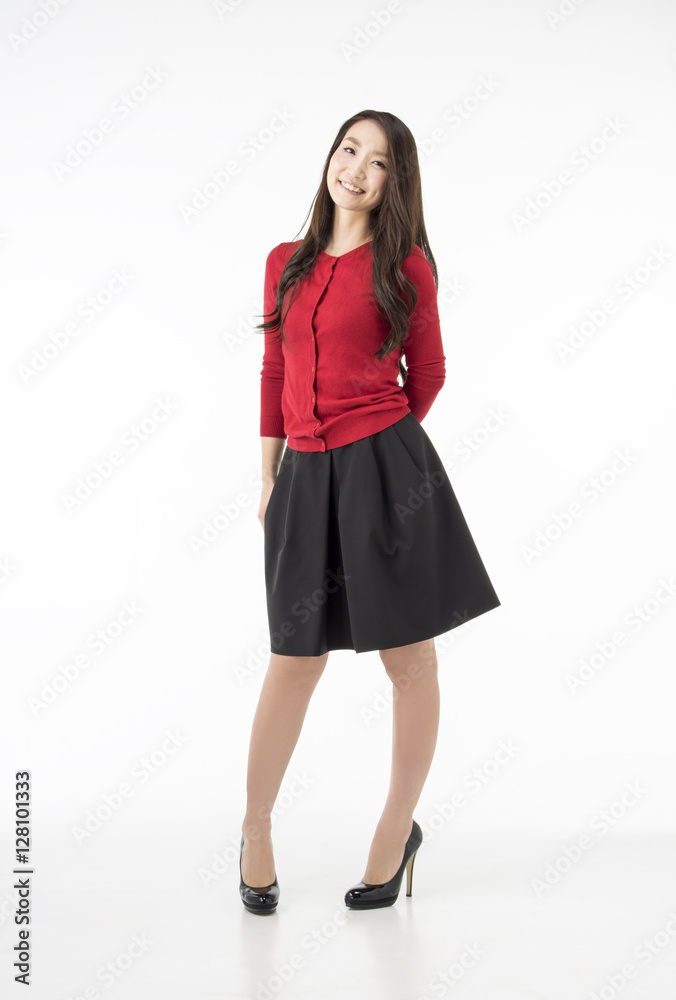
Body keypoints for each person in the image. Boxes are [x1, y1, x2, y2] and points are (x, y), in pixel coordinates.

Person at [239, 110, 501, 915]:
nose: (355, 169)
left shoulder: (405, 265)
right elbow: (274, 369)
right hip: (301, 475)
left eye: (378, 161)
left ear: (396, 181)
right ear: (330, 157)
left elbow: (431, 371)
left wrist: (380, 450)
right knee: (294, 658)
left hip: (386, 472)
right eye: (348, 149)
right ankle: (254, 829)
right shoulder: (284, 262)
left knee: (408, 660)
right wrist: (270, 477)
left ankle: (396, 832)